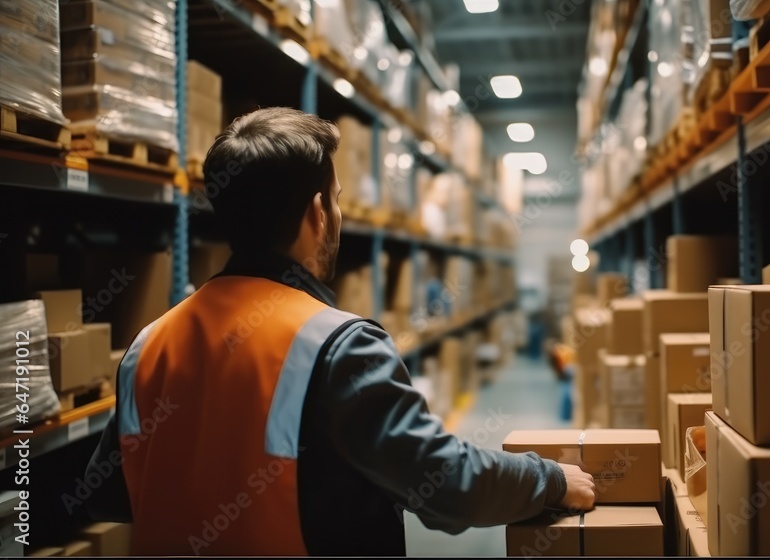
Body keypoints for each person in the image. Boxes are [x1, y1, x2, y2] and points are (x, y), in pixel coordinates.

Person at [83, 107, 596, 556]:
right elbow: (445, 485)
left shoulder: (148, 346)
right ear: (318, 213)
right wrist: (546, 478)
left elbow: (110, 494)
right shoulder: (338, 345)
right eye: (337, 197)